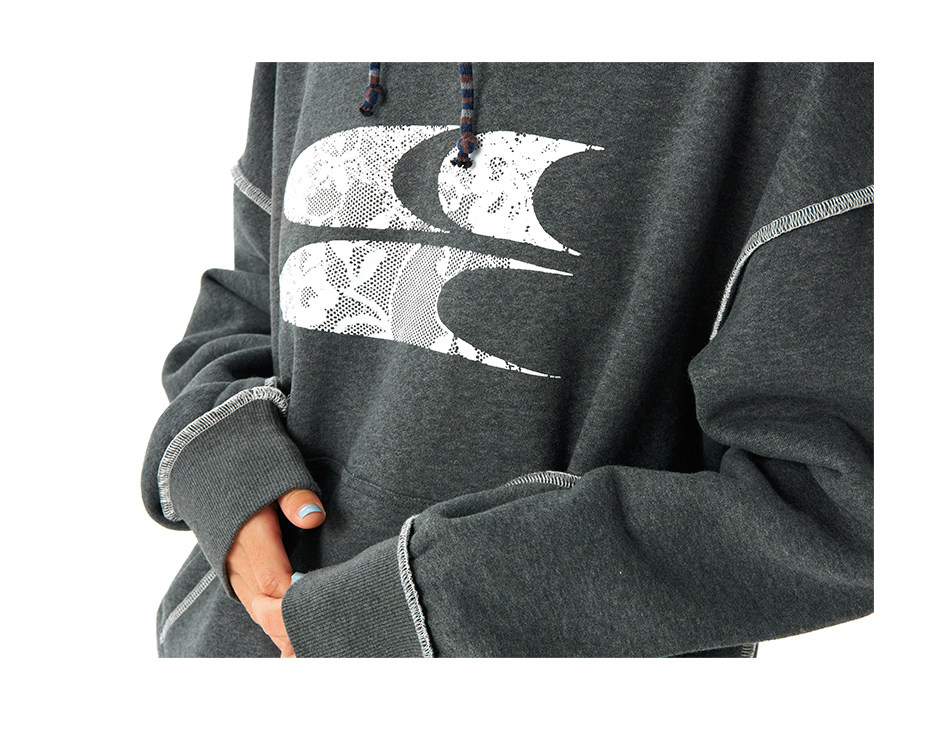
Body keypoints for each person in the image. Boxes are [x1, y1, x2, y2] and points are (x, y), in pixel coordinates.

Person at [142, 62, 873, 657]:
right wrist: (225, 470)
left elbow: (849, 497)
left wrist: (432, 599)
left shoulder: (804, 68)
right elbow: (253, 295)